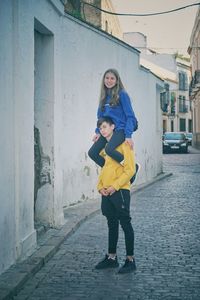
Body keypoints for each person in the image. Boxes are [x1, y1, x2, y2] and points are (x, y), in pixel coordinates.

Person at [95, 117, 136, 274]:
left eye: (105, 127)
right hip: (106, 192)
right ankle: (112, 258)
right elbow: (105, 169)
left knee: (125, 224)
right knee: (111, 223)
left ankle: (130, 260)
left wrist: (115, 186)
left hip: (120, 191)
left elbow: (130, 169)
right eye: (100, 128)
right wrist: (100, 187)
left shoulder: (125, 143)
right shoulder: (106, 147)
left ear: (113, 126)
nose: (102, 130)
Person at [88, 68, 140, 182]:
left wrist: (128, 135)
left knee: (109, 149)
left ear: (117, 81)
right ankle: (111, 170)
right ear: (104, 80)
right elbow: (100, 118)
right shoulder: (103, 97)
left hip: (121, 129)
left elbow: (130, 116)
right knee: (92, 153)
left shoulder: (122, 94)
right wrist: (97, 131)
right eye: (107, 78)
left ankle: (131, 168)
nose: (109, 81)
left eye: (112, 78)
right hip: (107, 130)